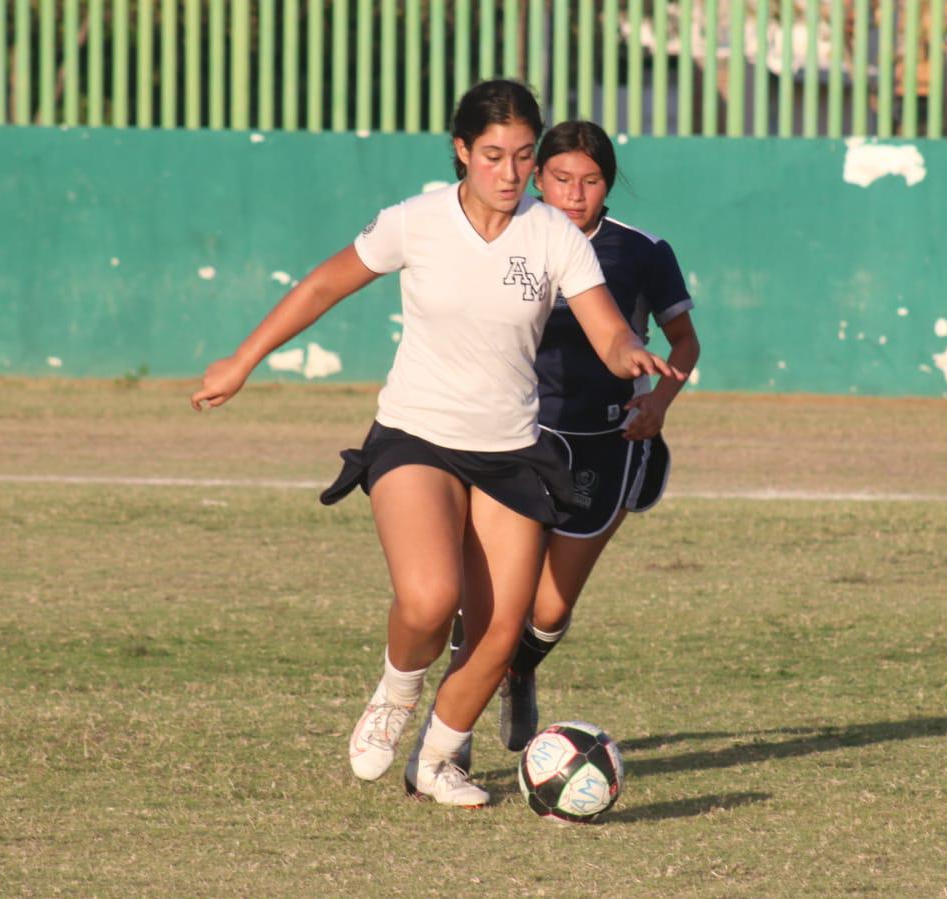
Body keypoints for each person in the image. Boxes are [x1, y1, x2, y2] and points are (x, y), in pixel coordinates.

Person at [190, 81, 681, 807]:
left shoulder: (553, 234)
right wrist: (242, 360)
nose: (510, 173)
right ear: (461, 150)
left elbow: (606, 327)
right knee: (429, 600)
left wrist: (628, 354)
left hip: (510, 450)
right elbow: (323, 285)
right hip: (417, 434)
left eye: (523, 156)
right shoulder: (415, 221)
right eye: (493, 156)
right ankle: (395, 692)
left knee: (499, 631)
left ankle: (437, 760)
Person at [494, 120, 701, 752]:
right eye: (561, 179)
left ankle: (519, 671)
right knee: (492, 596)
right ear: (537, 177)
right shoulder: (504, 235)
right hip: (515, 436)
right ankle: (454, 722)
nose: (574, 194)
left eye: (590, 181)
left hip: (606, 441)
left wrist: (658, 403)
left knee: (549, 610)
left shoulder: (641, 251)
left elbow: (684, 342)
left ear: (608, 183)